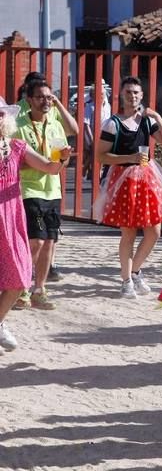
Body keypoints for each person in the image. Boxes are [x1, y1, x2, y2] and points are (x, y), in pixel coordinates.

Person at [95, 76, 162, 299]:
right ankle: (126, 280)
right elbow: (101, 155)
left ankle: (136, 270)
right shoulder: (113, 123)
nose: (132, 96)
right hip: (123, 179)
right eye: (129, 92)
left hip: (147, 177)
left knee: (155, 231)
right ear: (121, 95)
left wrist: (157, 115)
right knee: (128, 232)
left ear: (142, 96)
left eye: (136, 93)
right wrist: (129, 156)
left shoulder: (147, 121)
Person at [0, 97, 69, 352]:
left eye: (0, 115)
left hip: (11, 216)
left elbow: (49, 168)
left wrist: (62, 159)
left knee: (19, 276)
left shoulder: (17, 146)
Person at [12, 81, 72, 310]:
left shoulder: (55, 125)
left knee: (49, 241)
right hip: (29, 190)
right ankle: (22, 287)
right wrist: (39, 165)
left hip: (52, 189)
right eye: (40, 97)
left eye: (49, 97)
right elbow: (13, 161)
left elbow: (58, 161)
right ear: (29, 100)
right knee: (35, 239)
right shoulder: (18, 126)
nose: (46, 101)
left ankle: (40, 289)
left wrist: (64, 157)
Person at [16, 72, 78, 137]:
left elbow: (73, 131)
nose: (45, 101)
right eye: (40, 97)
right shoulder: (18, 109)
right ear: (27, 88)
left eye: (44, 85)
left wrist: (58, 103)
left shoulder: (52, 108)